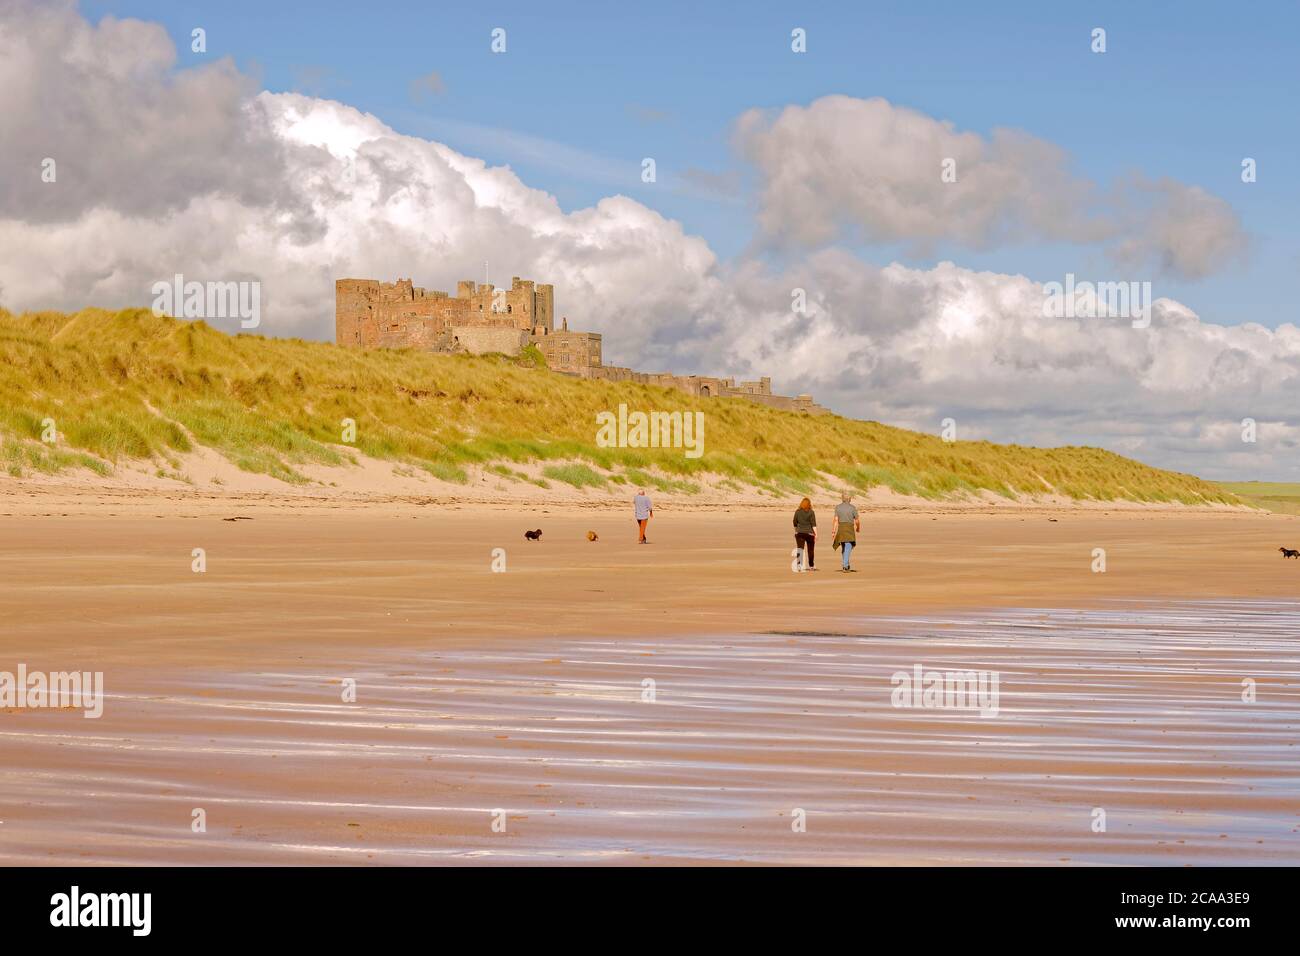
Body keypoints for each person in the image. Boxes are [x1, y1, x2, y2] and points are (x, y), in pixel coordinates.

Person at [830, 491, 860, 572]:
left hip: (841, 529)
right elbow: (857, 520)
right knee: (848, 546)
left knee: (844, 547)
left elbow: (836, 520)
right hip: (849, 529)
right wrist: (858, 528)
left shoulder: (838, 507)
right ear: (849, 499)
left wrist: (833, 531)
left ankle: (846, 564)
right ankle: (845, 565)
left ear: (842, 499)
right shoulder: (852, 508)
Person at [793, 497, 817, 571]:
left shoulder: (797, 511)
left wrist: (796, 530)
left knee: (800, 549)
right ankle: (811, 566)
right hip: (809, 533)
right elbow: (814, 525)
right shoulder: (811, 512)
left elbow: (794, 522)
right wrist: (816, 534)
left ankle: (799, 565)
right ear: (809, 504)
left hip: (800, 533)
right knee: (810, 550)